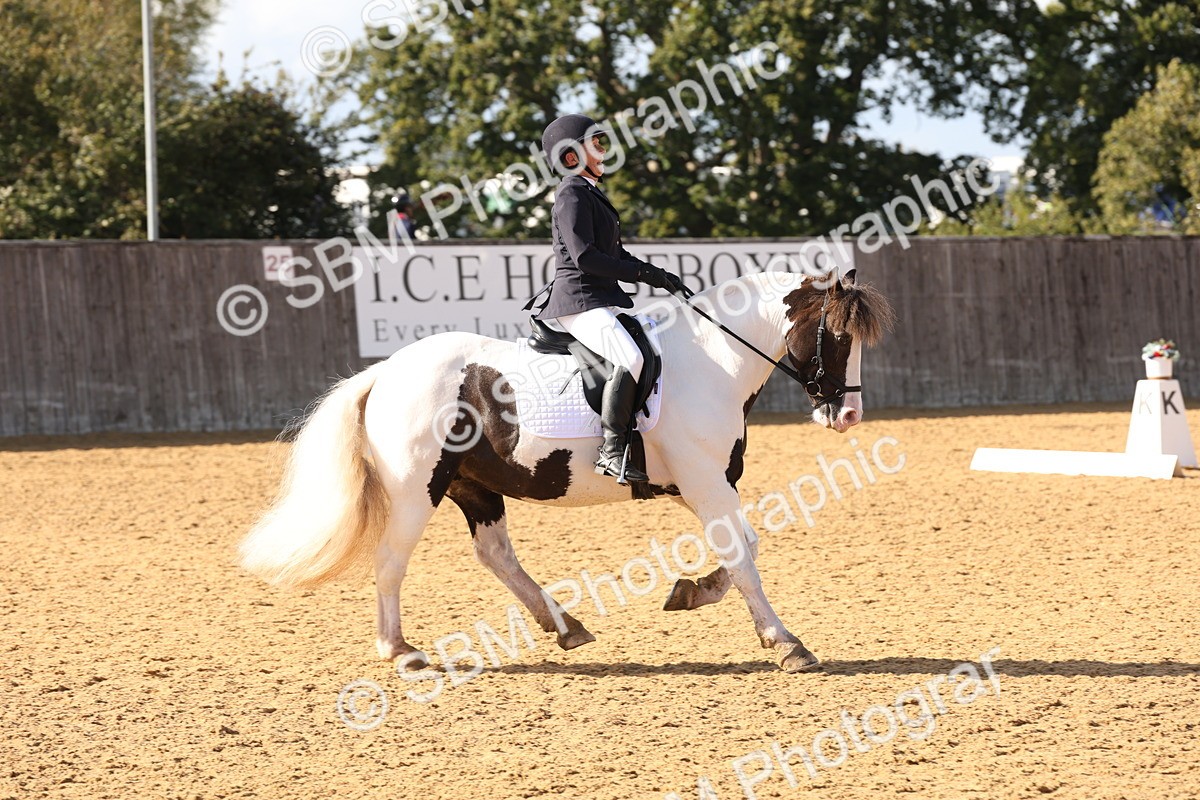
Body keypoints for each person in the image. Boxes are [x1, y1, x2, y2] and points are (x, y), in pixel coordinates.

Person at [531, 113, 686, 483]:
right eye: (596, 143)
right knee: (629, 357)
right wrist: (640, 274)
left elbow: (615, 255)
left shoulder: (590, 193)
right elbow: (585, 257)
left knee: (648, 348)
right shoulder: (571, 194)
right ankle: (613, 450)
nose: (603, 150)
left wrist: (656, 274)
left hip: (596, 300)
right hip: (578, 301)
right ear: (571, 156)